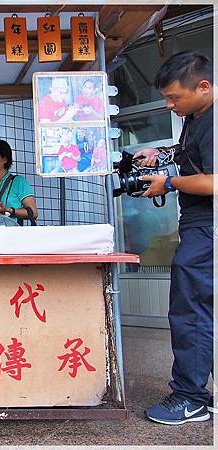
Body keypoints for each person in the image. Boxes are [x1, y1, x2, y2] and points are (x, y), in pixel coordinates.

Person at [134, 51, 214, 425]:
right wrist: (161, 154)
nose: (169, 105)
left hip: (208, 227)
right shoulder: (196, 116)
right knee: (196, 308)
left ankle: (191, 398)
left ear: (204, 86)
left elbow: (214, 182)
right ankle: (197, 391)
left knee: (190, 310)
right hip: (198, 225)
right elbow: (189, 155)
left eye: (174, 98)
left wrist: (169, 181)